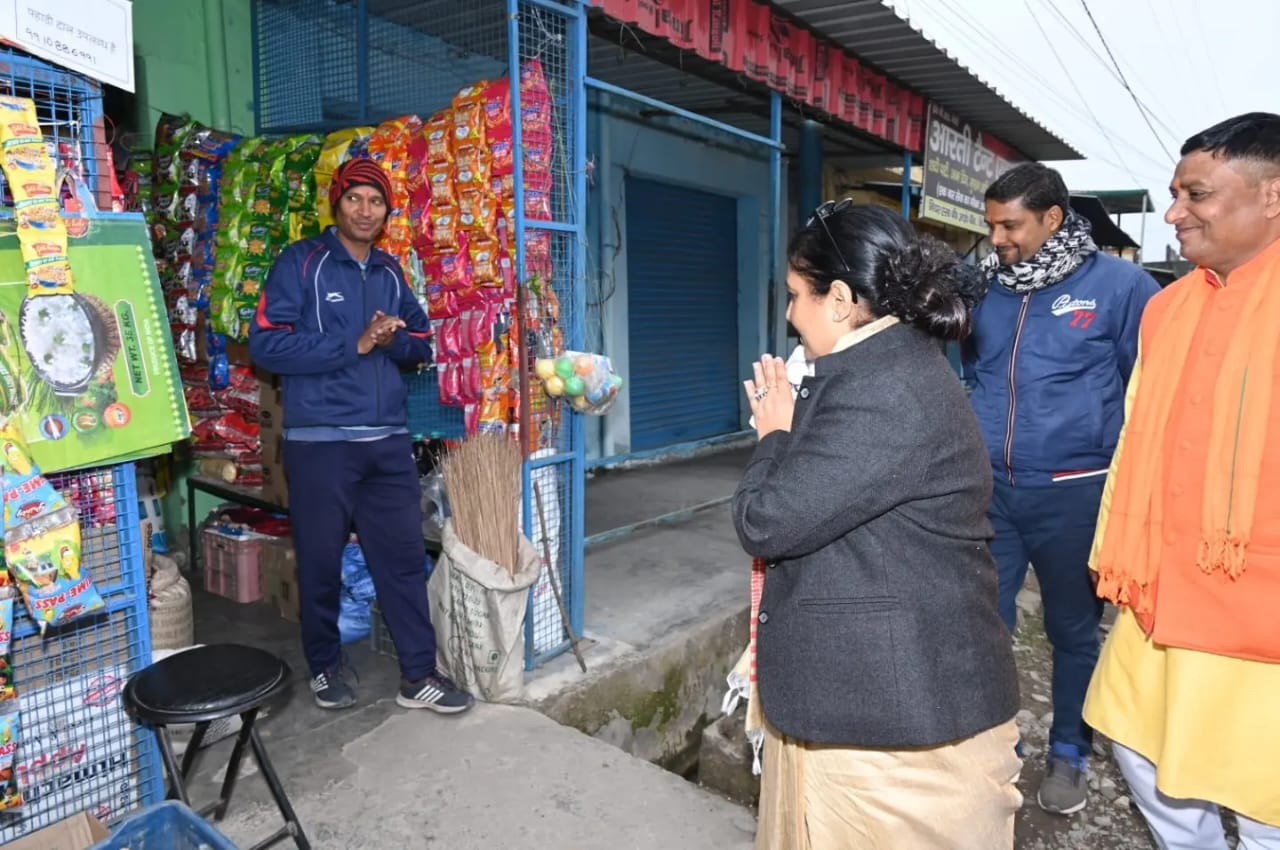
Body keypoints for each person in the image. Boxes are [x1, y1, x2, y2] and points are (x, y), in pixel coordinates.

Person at [734, 202, 1021, 850]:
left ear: (838, 299)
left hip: (902, 718)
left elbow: (766, 520)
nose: (788, 315)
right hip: (888, 694)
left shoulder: (886, 391)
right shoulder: (888, 366)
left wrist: (773, 434)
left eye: (794, 296)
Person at [1085, 112, 1280, 849]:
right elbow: (1138, 437)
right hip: (1159, 592)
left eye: (1196, 194)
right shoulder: (1165, 308)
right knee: (1144, 757)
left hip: (1264, 613)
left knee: (1265, 799)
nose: (1174, 213)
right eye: (1174, 193)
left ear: (1272, 196)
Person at [963, 163, 1160, 815]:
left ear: (1052, 219)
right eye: (991, 224)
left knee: (1072, 629)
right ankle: (995, 742)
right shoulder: (985, 287)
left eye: (1009, 225)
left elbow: (1146, 394)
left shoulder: (1121, 286)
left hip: (1077, 493)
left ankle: (1070, 753)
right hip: (994, 493)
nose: (997, 238)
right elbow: (971, 377)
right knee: (983, 623)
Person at [249, 157, 472, 715]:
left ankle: (418, 674)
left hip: (388, 443)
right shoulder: (301, 264)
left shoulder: (392, 273)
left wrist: (394, 340)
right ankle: (325, 666)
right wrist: (356, 345)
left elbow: (422, 344)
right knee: (321, 561)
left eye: (376, 202)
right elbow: (266, 345)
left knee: (401, 562)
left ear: (386, 212)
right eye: (355, 199)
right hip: (321, 444)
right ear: (338, 204)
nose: (365, 210)